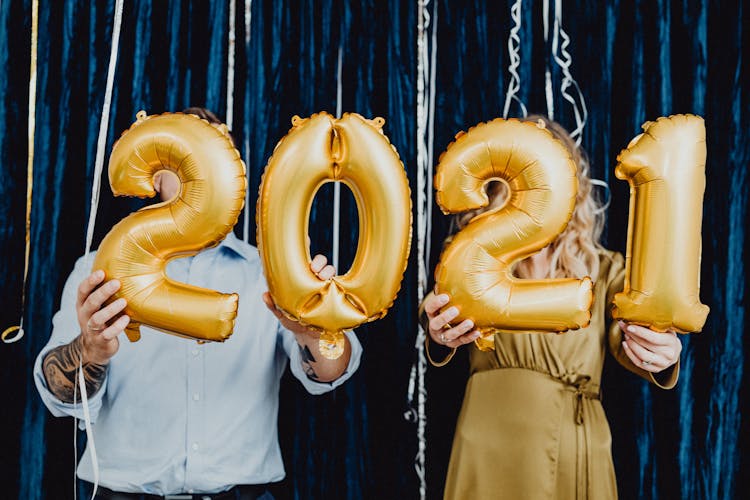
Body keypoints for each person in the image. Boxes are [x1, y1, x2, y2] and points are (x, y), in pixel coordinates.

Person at [34, 107, 362, 499]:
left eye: (215, 157)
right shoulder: (97, 269)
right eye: (189, 156)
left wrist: (312, 331)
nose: (201, 174)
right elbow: (57, 394)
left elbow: (330, 372)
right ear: (157, 171)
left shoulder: (270, 270)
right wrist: (89, 351)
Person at [421, 116, 682, 500]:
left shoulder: (606, 270)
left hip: (574, 443)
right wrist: (440, 337)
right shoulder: (468, 262)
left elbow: (631, 339)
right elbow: (443, 330)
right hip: (487, 441)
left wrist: (661, 353)